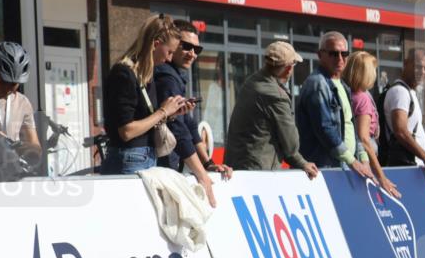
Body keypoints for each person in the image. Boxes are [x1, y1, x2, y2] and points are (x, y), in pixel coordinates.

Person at [101, 15, 219, 203]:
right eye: (170, 52)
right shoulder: (124, 73)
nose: (170, 58)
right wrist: (163, 112)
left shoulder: (144, 73)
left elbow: (146, 121)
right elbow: (126, 131)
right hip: (129, 159)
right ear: (156, 44)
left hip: (143, 158)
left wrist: (171, 114)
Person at [224, 41, 318, 180]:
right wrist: (302, 162)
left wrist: (300, 162)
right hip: (259, 172)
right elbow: (291, 145)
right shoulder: (276, 95)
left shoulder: (252, 82)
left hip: (236, 166)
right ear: (288, 69)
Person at [155, 20, 232, 179]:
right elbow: (177, 127)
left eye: (197, 49)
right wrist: (202, 173)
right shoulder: (167, 77)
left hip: (167, 162)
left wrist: (208, 163)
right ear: (174, 43)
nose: (192, 54)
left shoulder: (176, 75)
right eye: (187, 47)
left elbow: (188, 123)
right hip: (161, 164)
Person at [296, 32, 373, 179]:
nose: (340, 58)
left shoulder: (343, 85)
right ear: (320, 55)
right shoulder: (317, 84)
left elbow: (350, 125)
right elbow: (325, 128)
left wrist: (362, 156)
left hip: (342, 166)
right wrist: (353, 161)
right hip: (324, 169)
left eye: (344, 53)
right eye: (333, 54)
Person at [381, 48, 425, 181]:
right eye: (418, 66)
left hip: (414, 166)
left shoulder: (410, 92)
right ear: (406, 64)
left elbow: (417, 132)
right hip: (405, 167)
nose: (422, 72)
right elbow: (401, 131)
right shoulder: (400, 92)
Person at [345, 51, 400, 197]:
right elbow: (364, 139)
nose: (375, 75)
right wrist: (381, 176)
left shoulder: (350, 93)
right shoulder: (362, 98)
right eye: (373, 70)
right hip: (363, 159)